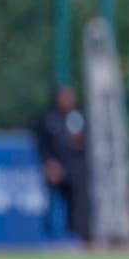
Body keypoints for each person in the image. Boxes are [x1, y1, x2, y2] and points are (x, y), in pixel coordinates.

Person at [34, 85, 89, 241]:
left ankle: (75, 236)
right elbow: (42, 145)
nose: (67, 100)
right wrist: (49, 163)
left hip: (75, 170)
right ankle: (50, 237)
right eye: (64, 97)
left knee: (77, 204)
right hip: (55, 169)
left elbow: (84, 145)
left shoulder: (77, 117)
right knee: (51, 203)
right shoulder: (48, 120)